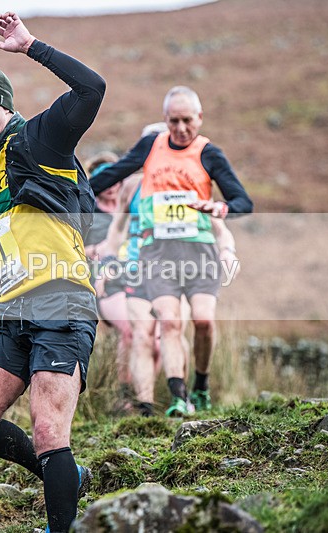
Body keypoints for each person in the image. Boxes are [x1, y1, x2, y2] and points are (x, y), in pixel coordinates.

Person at [0, 12, 105, 533]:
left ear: (4, 104)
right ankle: (65, 475)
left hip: (62, 300)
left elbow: (92, 88)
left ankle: (59, 525)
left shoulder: (43, 138)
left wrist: (31, 46)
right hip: (11, 310)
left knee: (48, 429)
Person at [91, 86, 251, 417]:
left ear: (199, 119)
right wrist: (69, 189)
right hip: (151, 259)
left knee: (199, 322)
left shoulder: (206, 156)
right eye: (172, 122)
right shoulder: (138, 175)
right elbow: (117, 202)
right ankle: (157, 401)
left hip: (196, 253)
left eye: (186, 121)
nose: (179, 130)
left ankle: (198, 387)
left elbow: (236, 205)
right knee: (152, 329)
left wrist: (224, 235)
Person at [82, 152, 136, 416]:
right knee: (128, 331)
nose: (112, 184)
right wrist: (96, 249)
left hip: (136, 278)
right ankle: (123, 396)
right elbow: (72, 246)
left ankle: (146, 395)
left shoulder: (131, 209)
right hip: (103, 282)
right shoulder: (87, 211)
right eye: (106, 178)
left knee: (154, 337)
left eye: (115, 177)